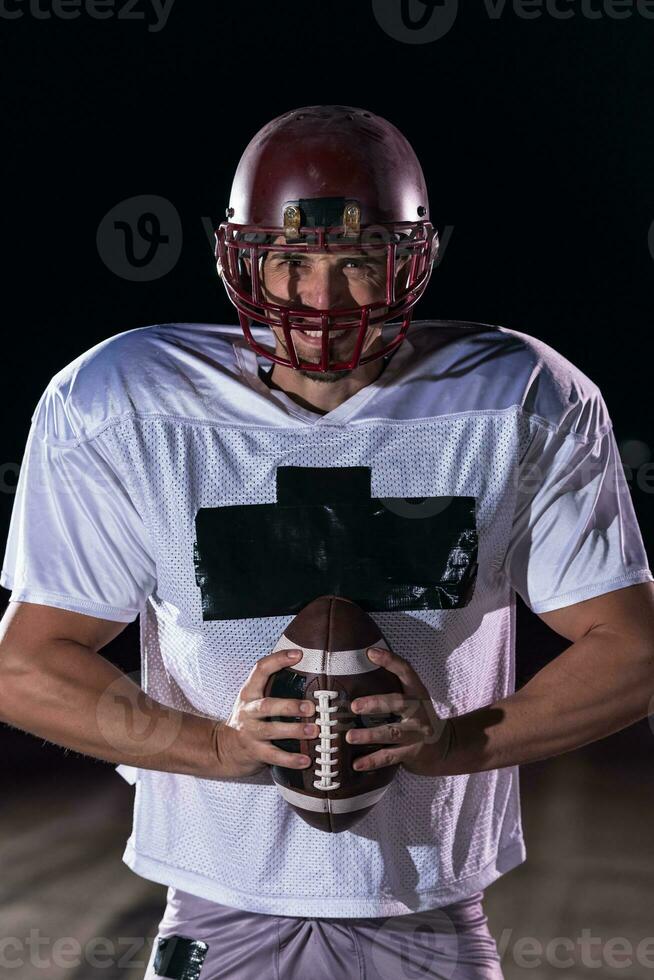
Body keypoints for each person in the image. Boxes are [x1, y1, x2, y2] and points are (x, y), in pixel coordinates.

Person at [0, 105, 652, 980]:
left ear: (410, 260)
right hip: (218, 898)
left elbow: (634, 652)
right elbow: (27, 666)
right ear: (242, 259)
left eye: (356, 262)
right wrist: (219, 748)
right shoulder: (123, 402)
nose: (322, 299)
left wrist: (453, 743)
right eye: (290, 261)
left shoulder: (520, 397)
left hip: (424, 904)